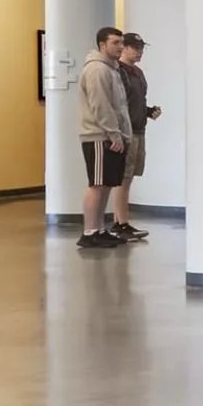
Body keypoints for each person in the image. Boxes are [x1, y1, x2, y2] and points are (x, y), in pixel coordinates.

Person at [75, 26, 132, 252]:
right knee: (97, 184)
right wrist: (113, 133)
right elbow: (101, 105)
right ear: (102, 45)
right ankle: (89, 232)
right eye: (115, 43)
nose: (120, 47)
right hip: (99, 136)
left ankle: (99, 229)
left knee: (107, 184)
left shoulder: (112, 69)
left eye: (121, 42)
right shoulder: (97, 69)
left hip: (111, 136)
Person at [110, 32, 160, 242]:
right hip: (126, 131)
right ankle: (122, 224)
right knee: (123, 178)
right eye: (135, 48)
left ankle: (117, 222)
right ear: (125, 48)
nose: (139, 52)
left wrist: (148, 111)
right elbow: (118, 103)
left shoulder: (137, 73)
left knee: (129, 177)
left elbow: (135, 101)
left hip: (139, 129)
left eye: (141, 48)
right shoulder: (118, 72)